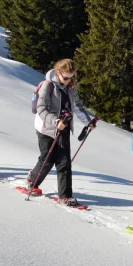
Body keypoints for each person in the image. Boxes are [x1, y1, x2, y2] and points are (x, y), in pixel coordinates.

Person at [27, 59, 96, 206]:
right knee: (47, 159)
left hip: (64, 127)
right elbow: (41, 109)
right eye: (66, 77)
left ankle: (65, 196)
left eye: (72, 77)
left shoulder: (71, 86)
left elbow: (76, 105)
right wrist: (56, 121)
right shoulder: (47, 86)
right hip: (46, 128)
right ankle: (32, 180)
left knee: (64, 162)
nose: (69, 81)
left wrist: (87, 121)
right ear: (58, 73)